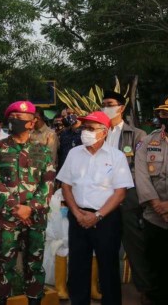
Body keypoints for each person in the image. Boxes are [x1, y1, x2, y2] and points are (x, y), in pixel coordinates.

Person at [56, 111, 134, 305]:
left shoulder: (116, 157)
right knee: (78, 267)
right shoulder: (75, 153)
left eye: (91, 128)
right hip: (78, 217)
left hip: (106, 219)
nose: (85, 132)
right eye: (84, 128)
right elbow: (65, 185)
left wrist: (97, 215)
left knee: (108, 268)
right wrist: (76, 213)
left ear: (104, 132)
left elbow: (120, 192)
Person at [0, 101, 55, 305]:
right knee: (4, 265)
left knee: (34, 265)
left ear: (32, 123)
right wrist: (15, 207)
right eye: (12, 118)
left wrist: (30, 208)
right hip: (7, 218)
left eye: (20, 119)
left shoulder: (42, 150)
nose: (14, 122)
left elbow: (48, 183)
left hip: (35, 218)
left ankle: (34, 301)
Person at [101, 90, 149, 302]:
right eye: (102, 104)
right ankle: (108, 290)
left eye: (109, 104)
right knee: (105, 245)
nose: (105, 108)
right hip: (102, 197)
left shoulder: (137, 135)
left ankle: (145, 290)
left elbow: (141, 170)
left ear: (121, 108)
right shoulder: (98, 133)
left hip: (128, 197)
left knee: (134, 245)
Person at [134, 98, 168, 305]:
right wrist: (157, 204)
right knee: (156, 263)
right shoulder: (148, 141)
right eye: (163, 114)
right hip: (153, 216)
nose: (164, 117)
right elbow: (141, 174)